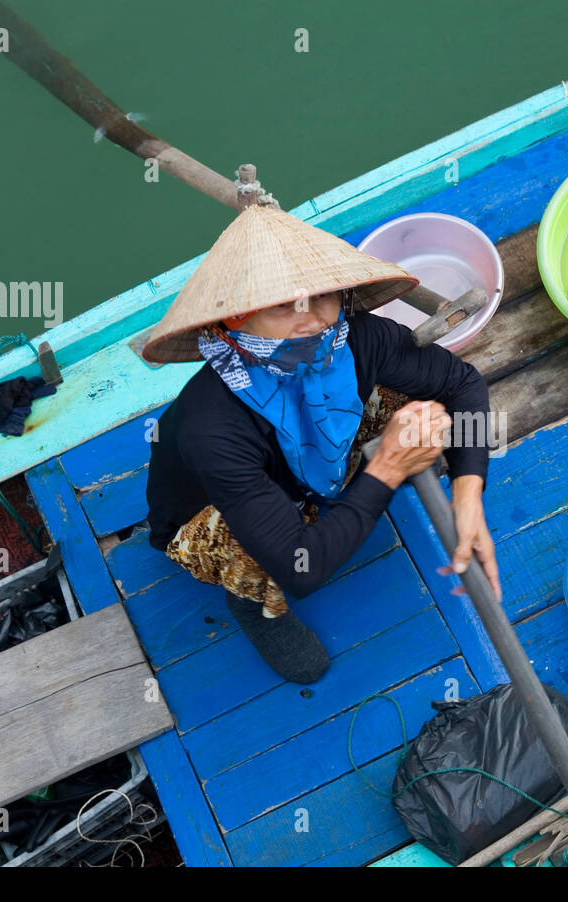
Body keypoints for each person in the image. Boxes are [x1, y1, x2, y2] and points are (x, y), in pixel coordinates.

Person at [141, 206, 498, 684]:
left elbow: (463, 385)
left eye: (321, 297)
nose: (310, 319)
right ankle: (253, 605)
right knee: (259, 550)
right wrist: (388, 469)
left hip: (316, 467)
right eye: (281, 306)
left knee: (419, 395)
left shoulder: (355, 338)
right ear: (232, 321)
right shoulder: (212, 428)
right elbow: (300, 570)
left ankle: (341, 485)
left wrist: (469, 490)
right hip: (216, 512)